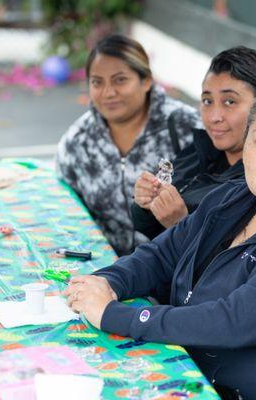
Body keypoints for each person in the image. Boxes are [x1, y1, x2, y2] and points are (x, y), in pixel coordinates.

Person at [64, 86, 256, 400]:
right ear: (246, 146)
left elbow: (235, 321)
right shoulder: (234, 197)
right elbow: (162, 254)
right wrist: (107, 282)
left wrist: (113, 314)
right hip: (194, 377)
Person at [56, 34, 200, 256]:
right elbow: (66, 210)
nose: (108, 92)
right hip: (101, 266)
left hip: (172, 267)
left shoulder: (185, 128)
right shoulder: (78, 141)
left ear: (146, 81)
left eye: (120, 79)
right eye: (97, 82)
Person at [131, 46, 256, 240]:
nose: (214, 117)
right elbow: (146, 229)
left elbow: (228, 264)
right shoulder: (199, 150)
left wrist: (180, 223)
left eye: (229, 102)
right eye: (208, 101)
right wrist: (145, 204)